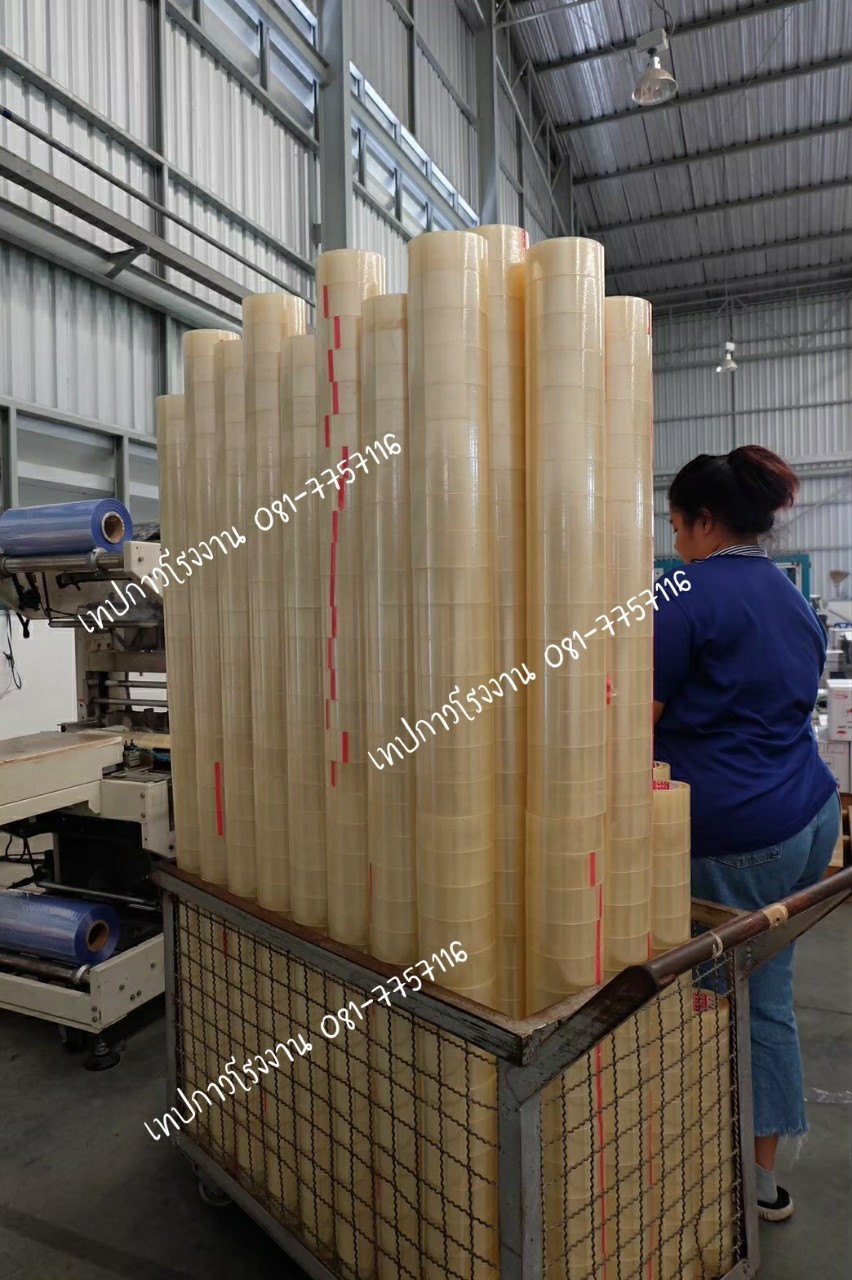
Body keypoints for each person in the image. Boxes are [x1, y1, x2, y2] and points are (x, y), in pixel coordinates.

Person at [652, 444, 841, 1224]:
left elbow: (632, 721)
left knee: (709, 997)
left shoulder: (681, 593)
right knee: (768, 992)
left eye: (676, 527)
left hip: (734, 835)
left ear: (703, 520)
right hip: (807, 818)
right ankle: (759, 1180)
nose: (675, 544)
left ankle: (702, 1169)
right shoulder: (792, 598)